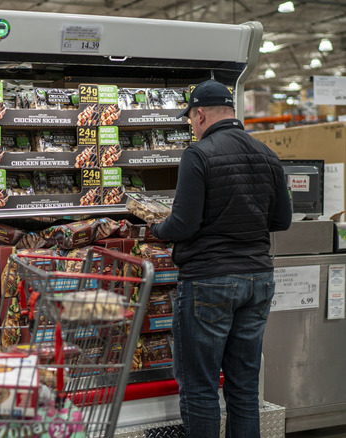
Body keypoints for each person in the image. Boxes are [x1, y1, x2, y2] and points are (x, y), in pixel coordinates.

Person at [150, 79, 292, 438]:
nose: (192, 126)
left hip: (209, 281)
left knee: (200, 387)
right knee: (244, 387)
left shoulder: (198, 154)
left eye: (191, 119)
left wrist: (154, 228)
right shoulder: (267, 154)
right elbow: (283, 220)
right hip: (258, 280)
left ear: (199, 114)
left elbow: (182, 223)